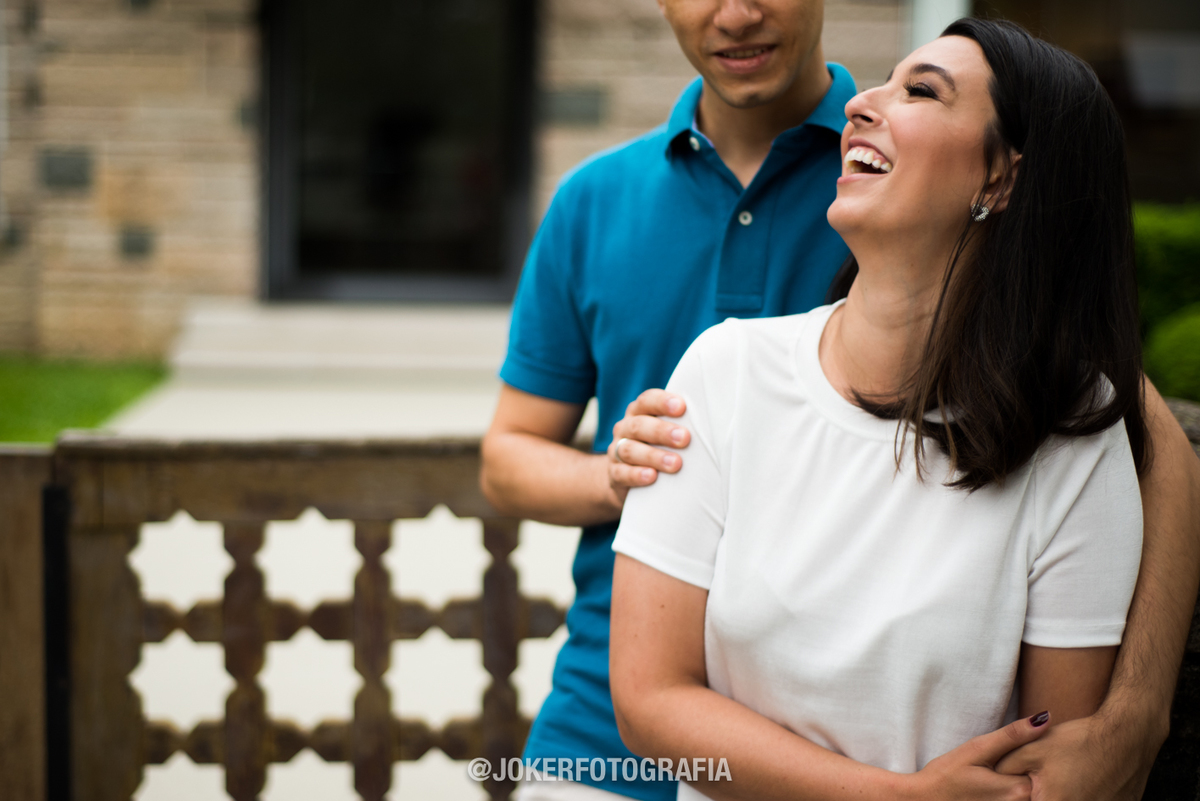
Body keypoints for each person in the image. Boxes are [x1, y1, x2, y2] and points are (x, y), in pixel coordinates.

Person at [480, 1, 1200, 799]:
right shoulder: (595, 202)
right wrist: (629, 473)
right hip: (607, 723)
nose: (736, 13)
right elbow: (505, 458)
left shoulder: (891, 184)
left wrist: (1136, 712)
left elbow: (1135, 430)